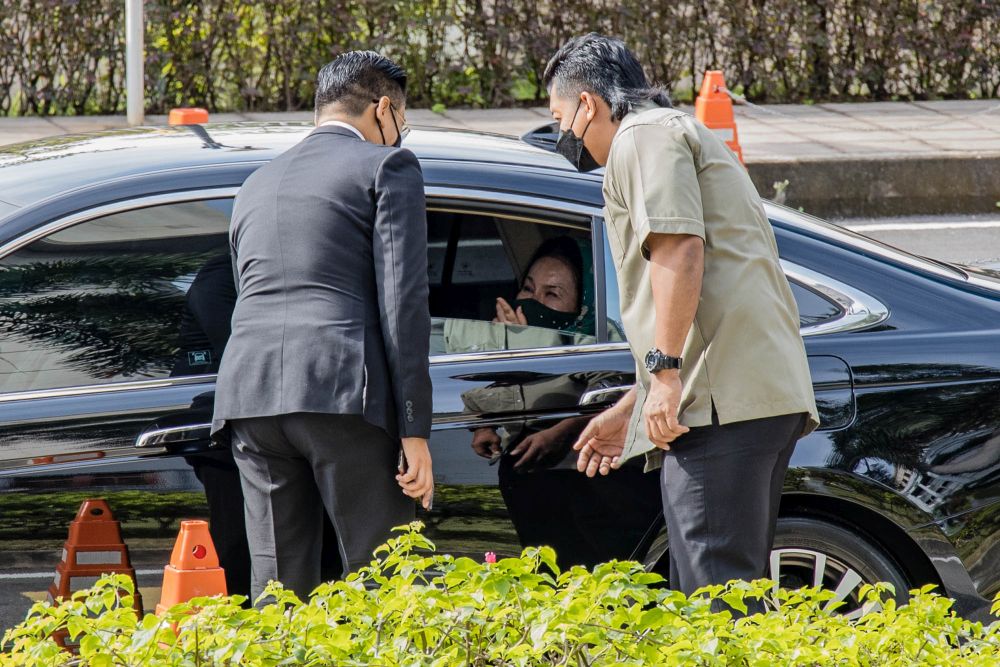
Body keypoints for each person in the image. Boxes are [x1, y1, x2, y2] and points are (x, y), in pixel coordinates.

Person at [543, 34, 819, 605]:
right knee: (729, 590)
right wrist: (636, 404)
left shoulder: (640, 138)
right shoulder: (671, 131)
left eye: (557, 116)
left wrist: (663, 376)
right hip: (747, 393)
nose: (560, 132)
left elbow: (678, 250)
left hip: (719, 403)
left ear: (587, 104)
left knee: (716, 599)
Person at [212, 51, 434, 601]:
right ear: (383, 108)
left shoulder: (254, 184)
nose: (402, 133)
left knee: (278, 590)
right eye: (402, 119)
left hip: (250, 398)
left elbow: (239, 291)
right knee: (387, 581)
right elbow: (404, 303)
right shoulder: (387, 167)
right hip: (343, 394)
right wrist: (415, 430)